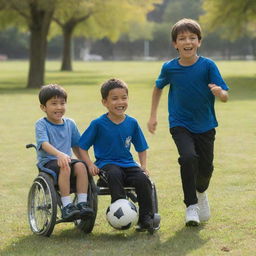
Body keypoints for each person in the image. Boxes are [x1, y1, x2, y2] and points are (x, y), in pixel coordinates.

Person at [147, 18, 229, 226]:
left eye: (192, 37)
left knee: (206, 168)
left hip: (206, 125)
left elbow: (225, 95)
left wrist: (220, 93)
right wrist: (153, 116)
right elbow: (158, 88)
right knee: (188, 157)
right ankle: (191, 206)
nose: (187, 41)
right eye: (182, 38)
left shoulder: (208, 66)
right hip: (180, 122)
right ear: (175, 44)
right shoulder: (169, 68)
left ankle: (201, 193)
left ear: (199, 42)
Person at [79, 78, 154, 231]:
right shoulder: (98, 124)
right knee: (114, 173)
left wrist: (144, 166)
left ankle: (146, 218)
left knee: (143, 179)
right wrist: (90, 164)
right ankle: (120, 210)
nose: (120, 102)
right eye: (115, 98)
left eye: (124, 98)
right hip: (106, 165)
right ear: (105, 102)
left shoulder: (132, 123)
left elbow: (141, 147)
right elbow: (82, 146)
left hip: (128, 164)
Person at [35, 84, 93, 221]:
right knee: (65, 165)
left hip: (66, 159)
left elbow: (77, 146)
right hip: (49, 162)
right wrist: (59, 154)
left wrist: (87, 163)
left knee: (80, 166)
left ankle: (82, 203)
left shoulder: (70, 123)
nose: (59, 107)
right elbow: (44, 144)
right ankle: (67, 206)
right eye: (54, 103)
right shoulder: (41, 124)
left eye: (62, 103)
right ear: (43, 107)